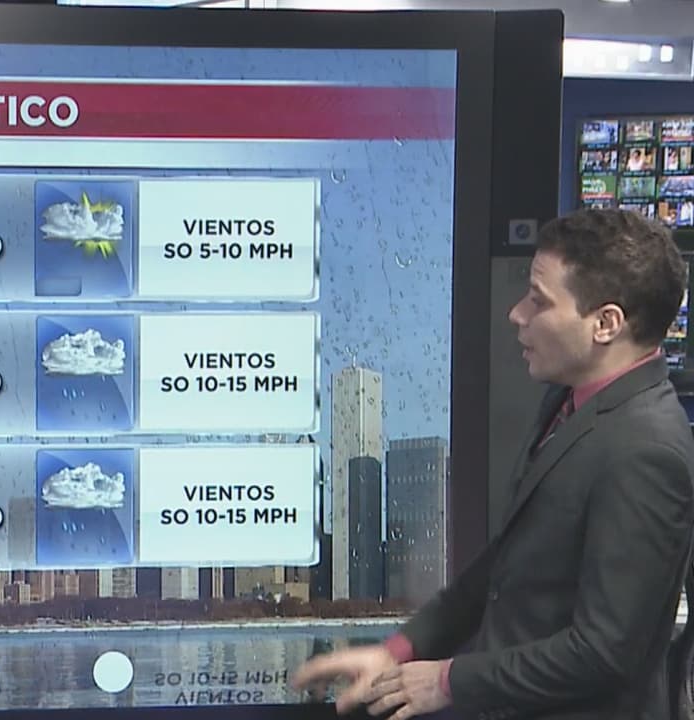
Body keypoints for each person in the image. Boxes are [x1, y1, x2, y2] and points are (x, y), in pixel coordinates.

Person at [292, 208, 694, 720]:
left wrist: (447, 681)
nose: (517, 314)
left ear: (605, 324)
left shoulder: (647, 450)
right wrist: (398, 650)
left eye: (539, 300)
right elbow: (507, 563)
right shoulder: (566, 402)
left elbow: (605, 652)